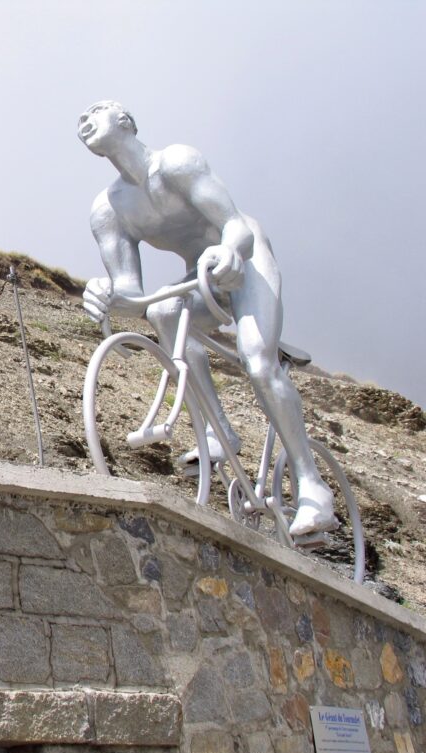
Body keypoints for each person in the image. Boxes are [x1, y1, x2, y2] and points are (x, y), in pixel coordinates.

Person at [78, 100, 337, 537]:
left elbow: (234, 224)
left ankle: (312, 487)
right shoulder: (108, 209)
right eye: (79, 119)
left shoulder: (176, 163)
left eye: (96, 110)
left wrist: (231, 250)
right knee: (163, 310)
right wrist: (105, 295)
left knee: (257, 360)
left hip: (244, 258)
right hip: (201, 278)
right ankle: (220, 433)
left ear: (126, 121)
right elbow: (133, 294)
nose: (85, 120)